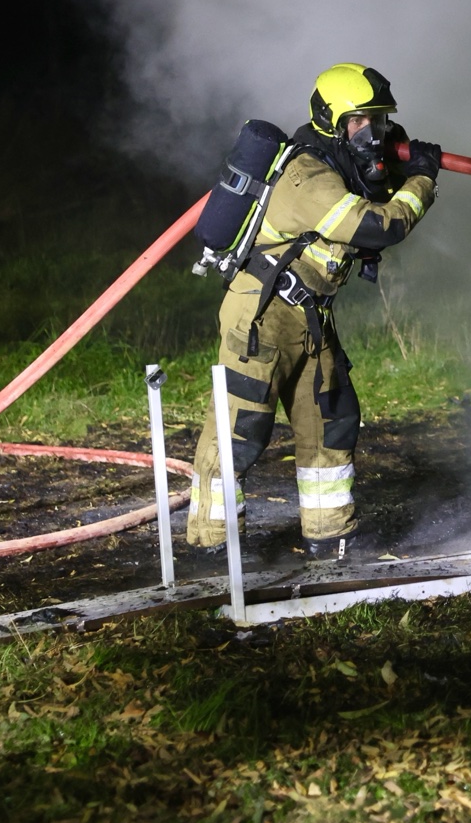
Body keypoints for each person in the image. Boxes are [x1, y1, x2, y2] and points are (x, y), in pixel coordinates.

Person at [185, 63, 442, 562]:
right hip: (261, 316)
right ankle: (212, 549)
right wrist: (422, 180)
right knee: (240, 432)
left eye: (379, 122)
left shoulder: (341, 169)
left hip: (310, 317)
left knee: (332, 421)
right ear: (331, 120)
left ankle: (330, 534)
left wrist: (399, 167)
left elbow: (371, 196)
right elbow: (380, 227)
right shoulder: (307, 177)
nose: (371, 135)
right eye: (359, 122)